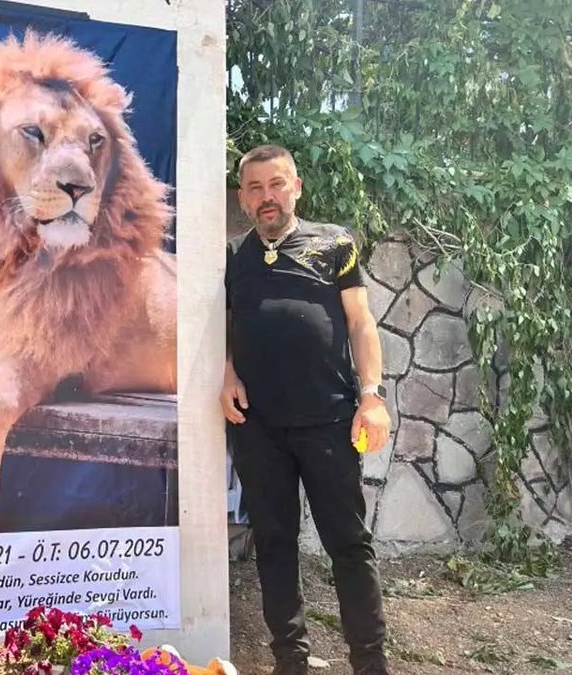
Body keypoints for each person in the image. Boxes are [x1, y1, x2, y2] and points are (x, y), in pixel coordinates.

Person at [223, 145, 392, 675]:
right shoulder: (233, 255)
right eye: (254, 188)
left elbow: (361, 324)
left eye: (275, 184)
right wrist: (227, 371)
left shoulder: (335, 244)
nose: (266, 197)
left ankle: (370, 662)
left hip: (328, 421)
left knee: (348, 543)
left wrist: (373, 396)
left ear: (296, 187)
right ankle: (289, 660)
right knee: (274, 543)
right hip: (258, 427)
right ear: (244, 198)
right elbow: (226, 325)